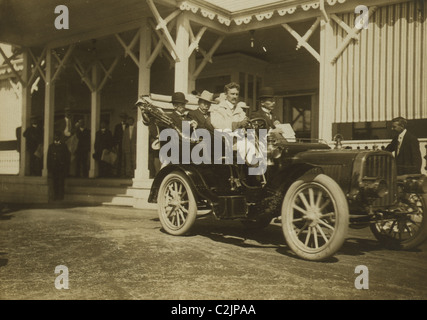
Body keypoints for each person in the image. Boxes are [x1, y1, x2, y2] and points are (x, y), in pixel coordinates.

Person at [47, 131, 70, 200]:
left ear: (60, 137)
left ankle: (61, 196)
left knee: (61, 182)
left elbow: (67, 157)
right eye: (55, 136)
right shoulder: (51, 146)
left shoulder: (64, 146)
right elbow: (48, 158)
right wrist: (49, 168)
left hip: (61, 167)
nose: (56, 137)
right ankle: (56, 196)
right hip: (54, 167)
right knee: (55, 182)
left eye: (58, 136)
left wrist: (66, 167)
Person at [114, 112, 128, 177]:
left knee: (126, 158)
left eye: (124, 117)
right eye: (122, 117)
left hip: (127, 145)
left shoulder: (128, 125)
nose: (123, 119)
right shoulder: (117, 126)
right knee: (119, 158)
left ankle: (126, 173)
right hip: (119, 145)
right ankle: (119, 173)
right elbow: (115, 136)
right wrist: (115, 145)